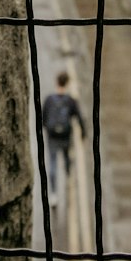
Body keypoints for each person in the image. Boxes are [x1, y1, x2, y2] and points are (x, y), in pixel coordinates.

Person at [41, 70, 86, 206]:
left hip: (52, 137)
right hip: (66, 137)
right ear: (67, 84)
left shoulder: (49, 100)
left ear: (57, 83)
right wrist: (83, 133)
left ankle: (54, 194)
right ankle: (68, 177)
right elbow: (79, 117)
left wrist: (48, 130)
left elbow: (43, 119)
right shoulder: (71, 101)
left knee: (53, 163)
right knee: (66, 158)